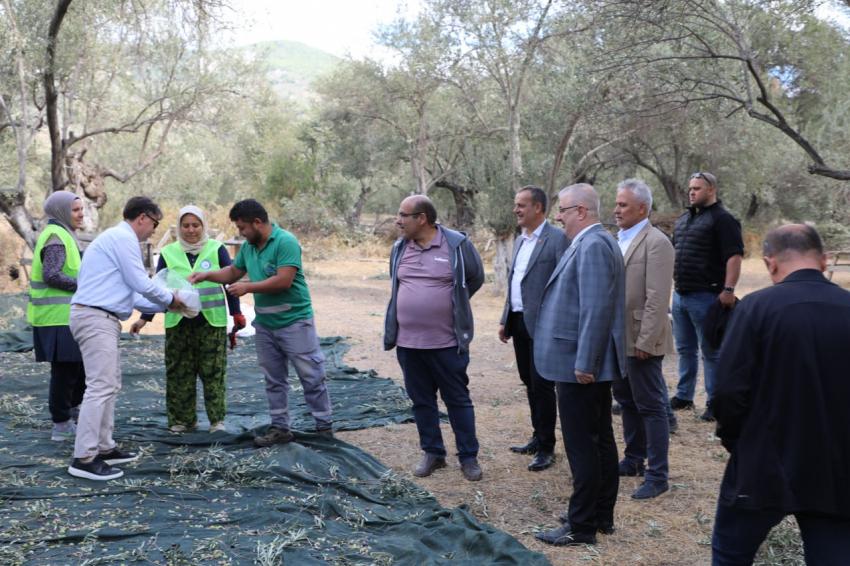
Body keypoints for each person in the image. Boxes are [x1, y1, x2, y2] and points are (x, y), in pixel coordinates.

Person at [711, 224, 850, 564]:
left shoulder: (756, 308)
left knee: (731, 552)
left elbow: (728, 391)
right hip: (837, 465)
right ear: (824, 260)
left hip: (763, 462)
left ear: (770, 263)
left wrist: (737, 442)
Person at [188, 199, 333, 446]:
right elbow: (233, 272)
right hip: (266, 324)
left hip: (295, 321)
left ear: (257, 222)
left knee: (311, 374)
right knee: (274, 378)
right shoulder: (249, 247)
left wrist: (248, 287)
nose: (241, 233)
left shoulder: (285, 242)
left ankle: (324, 427)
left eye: (243, 228)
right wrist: (207, 275)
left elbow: (283, 280)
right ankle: (280, 427)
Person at [68, 196, 185, 481]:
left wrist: (166, 306)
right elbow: (140, 282)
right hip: (95, 317)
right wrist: (171, 299)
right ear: (142, 217)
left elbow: (132, 294)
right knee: (100, 386)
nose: (152, 231)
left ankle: (104, 446)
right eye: (154, 225)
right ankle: (84, 457)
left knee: (110, 383)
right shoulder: (123, 239)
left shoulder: (115, 240)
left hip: (101, 317)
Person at [534, 184, 625, 546]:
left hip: (579, 366)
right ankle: (599, 514)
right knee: (598, 439)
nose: (558, 216)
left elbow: (596, 309)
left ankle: (582, 525)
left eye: (563, 210)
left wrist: (585, 361)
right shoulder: (593, 243)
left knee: (583, 445)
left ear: (582, 211)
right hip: (578, 363)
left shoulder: (593, 245)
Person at [384, 195, 485, 482]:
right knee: (421, 401)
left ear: (422, 219)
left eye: (404, 215)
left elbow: (474, 279)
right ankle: (433, 452)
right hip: (408, 344)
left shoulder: (457, 245)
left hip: (447, 343)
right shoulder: (399, 247)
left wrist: (452, 305)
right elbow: (397, 281)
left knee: (458, 400)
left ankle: (468, 457)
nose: (398, 220)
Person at [130, 205, 246, 433]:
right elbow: (157, 289)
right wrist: (145, 319)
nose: (191, 230)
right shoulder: (169, 253)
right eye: (186, 225)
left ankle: (216, 421)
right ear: (178, 228)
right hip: (178, 323)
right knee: (179, 373)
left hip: (211, 322)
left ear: (203, 226)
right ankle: (182, 420)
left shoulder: (216, 249)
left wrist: (236, 313)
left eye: (195, 225)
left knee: (213, 373)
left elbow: (229, 282)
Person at [611, 179, 675, 499]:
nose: (616, 209)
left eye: (623, 205)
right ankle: (634, 459)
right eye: (617, 203)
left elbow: (658, 297)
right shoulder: (618, 239)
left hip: (641, 340)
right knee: (626, 402)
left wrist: (646, 341)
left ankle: (658, 474)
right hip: (619, 339)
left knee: (651, 406)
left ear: (642, 209)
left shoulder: (657, 242)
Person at [498, 186, 568, 472]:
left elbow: (564, 283)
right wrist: (506, 318)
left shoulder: (557, 239)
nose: (516, 209)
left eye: (521, 205)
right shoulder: (520, 240)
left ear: (538, 208)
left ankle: (548, 447)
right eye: (516, 204)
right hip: (518, 321)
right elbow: (515, 280)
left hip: (544, 325)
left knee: (542, 386)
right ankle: (538, 436)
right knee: (528, 382)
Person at [670, 171, 743, 421]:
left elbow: (734, 256)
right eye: (690, 188)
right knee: (684, 348)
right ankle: (684, 396)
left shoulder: (724, 220)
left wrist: (729, 289)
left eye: (697, 188)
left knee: (711, 351)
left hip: (707, 296)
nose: (692, 192)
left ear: (711, 189)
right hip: (680, 294)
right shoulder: (684, 219)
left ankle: (714, 401)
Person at [27, 191, 87, 442]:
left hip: (65, 317)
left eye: (81, 209)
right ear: (61, 211)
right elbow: (52, 274)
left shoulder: (63, 234)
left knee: (78, 369)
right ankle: (61, 424)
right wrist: (85, 285)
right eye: (75, 210)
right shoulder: (56, 237)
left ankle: (71, 416)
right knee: (65, 372)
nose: (81, 214)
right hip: (56, 317)